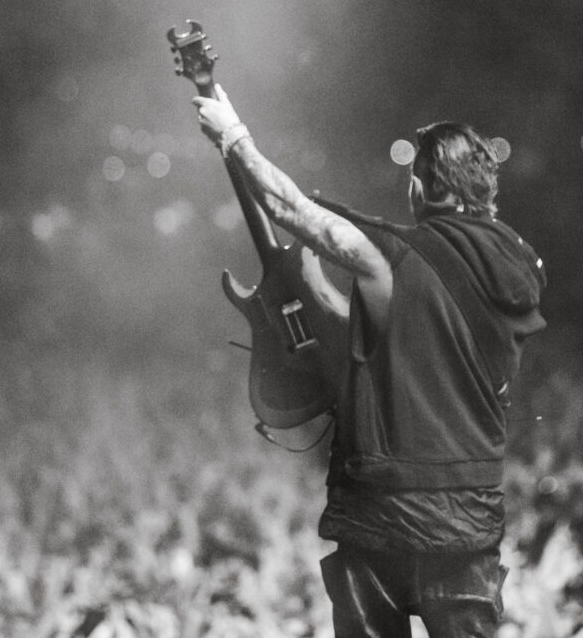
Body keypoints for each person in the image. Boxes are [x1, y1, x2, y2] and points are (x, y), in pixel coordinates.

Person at [194, 86, 547, 638]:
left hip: (381, 516)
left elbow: (289, 209)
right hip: (469, 520)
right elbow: (421, 344)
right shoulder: (521, 266)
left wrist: (233, 136)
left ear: (425, 185)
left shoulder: (392, 257)